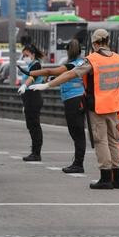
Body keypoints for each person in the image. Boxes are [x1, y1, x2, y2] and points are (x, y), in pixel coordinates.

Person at [31, 29, 119, 190]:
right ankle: (117, 178)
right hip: (114, 105)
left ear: (95, 44)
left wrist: (47, 84)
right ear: (108, 41)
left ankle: (105, 177)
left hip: (97, 106)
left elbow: (70, 74)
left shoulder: (92, 60)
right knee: (113, 141)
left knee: (100, 140)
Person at [26, 39, 87, 173]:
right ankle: (78, 162)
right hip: (80, 99)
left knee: (77, 133)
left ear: (68, 51)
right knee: (78, 132)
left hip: (73, 100)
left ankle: (78, 163)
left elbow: (49, 71)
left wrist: (30, 73)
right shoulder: (82, 63)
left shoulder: (72, 65)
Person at [15, 44, 45, 161]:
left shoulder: (36, 65)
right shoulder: (31, 65)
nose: (25, 57)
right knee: (31, 125)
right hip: (29, 98)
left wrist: (24, 85)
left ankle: (36, 153)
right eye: (23, 55)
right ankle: (34, 151)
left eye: (26, 55)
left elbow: (31, 78)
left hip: (33, 96)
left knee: (34, 126)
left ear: (32, 54)